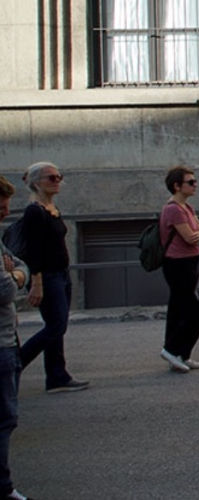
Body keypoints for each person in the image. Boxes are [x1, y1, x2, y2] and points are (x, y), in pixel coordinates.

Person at [17, 162, 88, 394]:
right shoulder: (34, 211)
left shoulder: (51, 208)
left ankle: (57, 376)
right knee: (56, 326)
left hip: (61, 274)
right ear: (36, 183)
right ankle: (13, 366)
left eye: (59, 176)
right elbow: (33, 251)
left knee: (57, 327)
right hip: (46, 277)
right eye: (51, 178)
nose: (57, 181)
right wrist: (36, 283)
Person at [158, 166, 199, 373]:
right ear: (177, 186)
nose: (195, 184)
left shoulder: (186, 207)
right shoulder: (173, 209)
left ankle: (181, 354)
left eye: (195, 181)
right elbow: (191, 237)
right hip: (178, 264)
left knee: (179, 310)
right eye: (190, 182)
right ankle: (171, 349)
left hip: (189, 261)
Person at [0, 177, 33, 499]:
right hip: (1, 342)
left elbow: (17, 263)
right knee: (5, 417)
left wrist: (15, 272)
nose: (6, 211)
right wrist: (19, 276)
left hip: (8, 335)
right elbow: (6, 287)